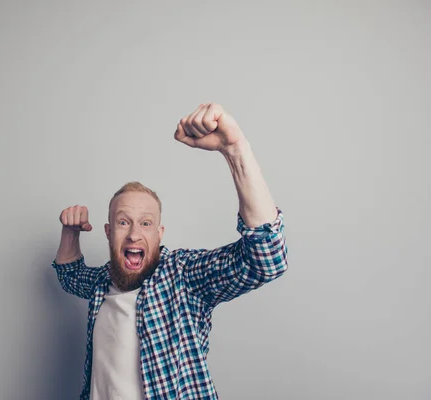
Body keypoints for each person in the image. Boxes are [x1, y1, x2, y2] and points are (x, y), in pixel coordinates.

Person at [52, 103, 288, 400]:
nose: (135, 234)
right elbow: (69, 275)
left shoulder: (183, 276)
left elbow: (266, 259)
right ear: (109, 233)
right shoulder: (102, 283)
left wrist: (236, 151)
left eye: (146, 223)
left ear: (159, 234)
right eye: (123, 222)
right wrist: (70, 232)